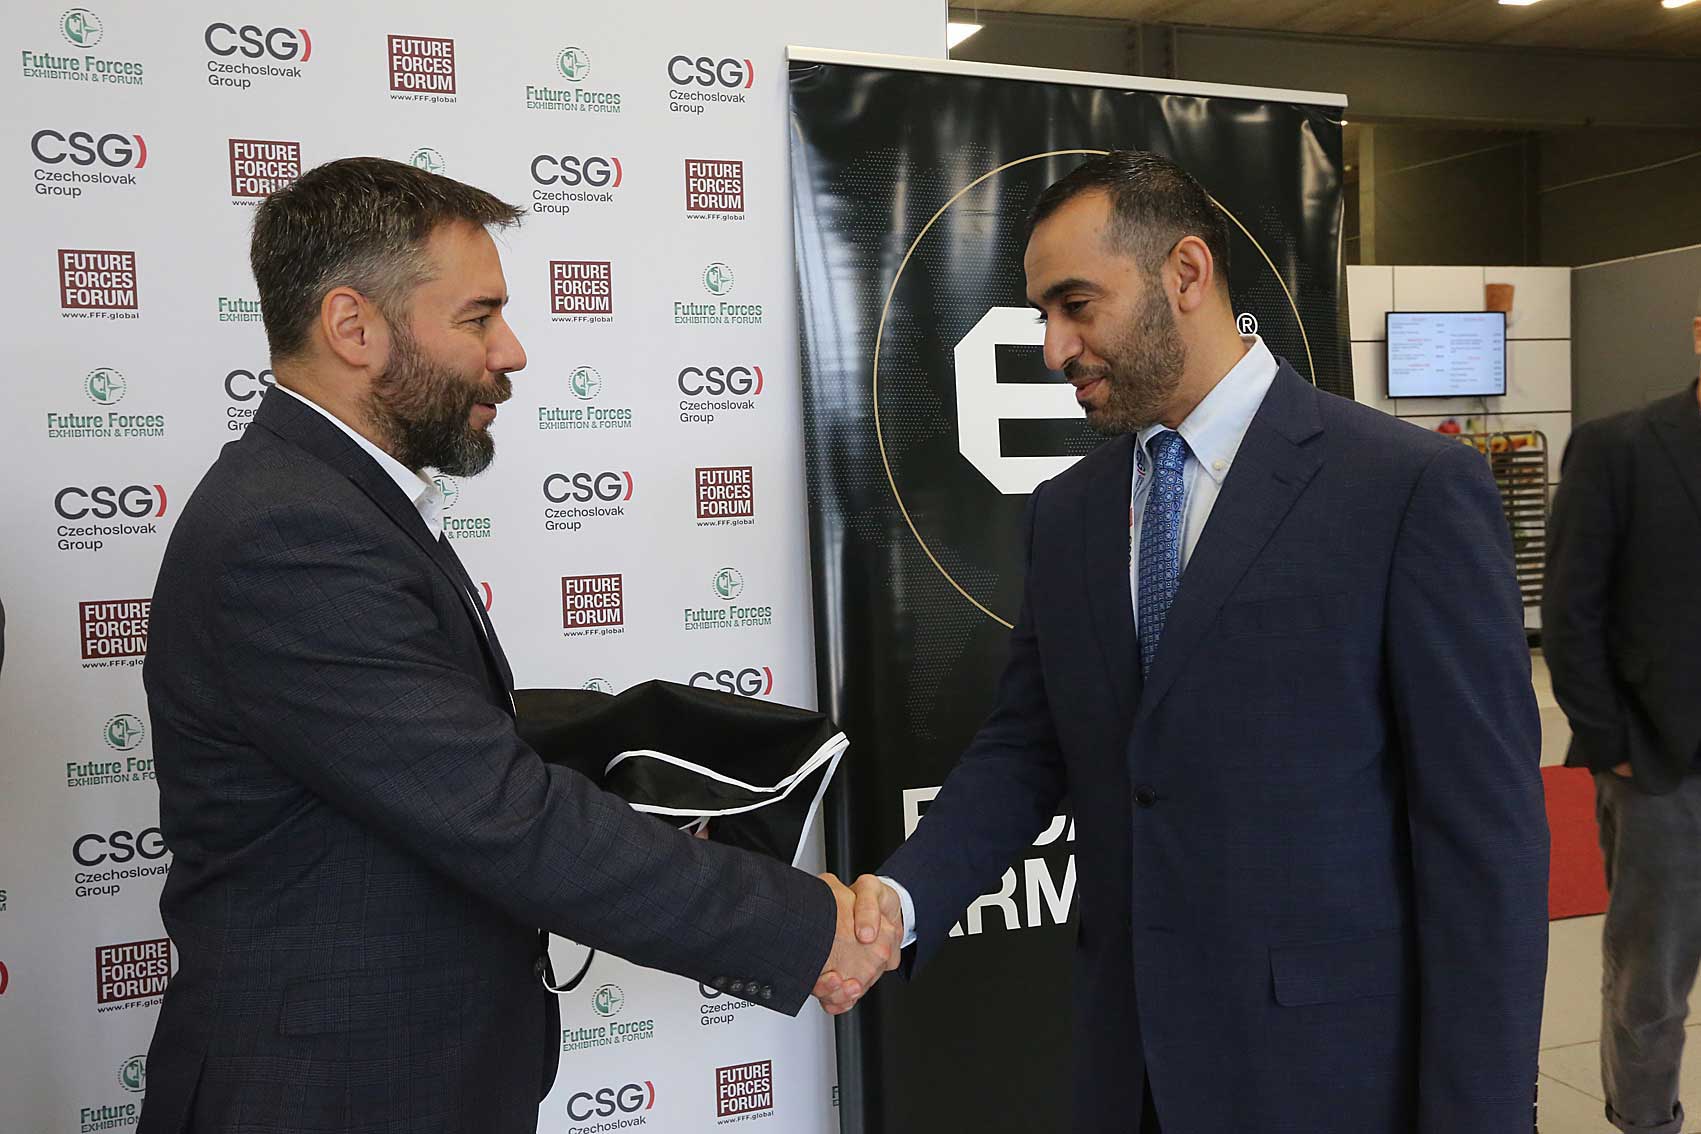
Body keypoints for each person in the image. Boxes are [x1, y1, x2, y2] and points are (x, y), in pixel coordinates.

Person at [138, 157, 893, 1134]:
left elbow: (417, 761)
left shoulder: (334, 504)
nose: (514, 350)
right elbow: (493, 812)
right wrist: (805, 925)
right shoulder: (290, 530)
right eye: (478, 317)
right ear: (353, 328)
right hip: (325, 1097)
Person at [825, 151, 1549, 1133]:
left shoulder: (1404, 489)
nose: (1054, 347)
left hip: (1329, 1075)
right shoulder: (1068, 513)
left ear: (1187, 272)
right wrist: (899, 903)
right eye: (1042, 315)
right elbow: (1026, 748)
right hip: (1128, 1067)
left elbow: (1483, 843)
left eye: (1076, 305)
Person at [1543, 299, 1701, 1134]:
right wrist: (1613, 745)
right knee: (1650, 987)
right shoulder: (1619, 448)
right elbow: (1570, 611)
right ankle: (1645, 1124)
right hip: (1663, 773)